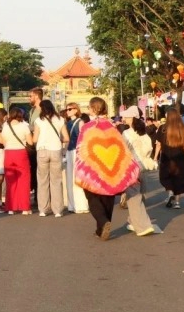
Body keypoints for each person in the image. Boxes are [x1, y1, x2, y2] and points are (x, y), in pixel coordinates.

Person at [77, 97, 123, 240]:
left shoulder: (87, 127)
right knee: (108, 195)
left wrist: (80, 167)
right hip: (110, 165)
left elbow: (81, 147)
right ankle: (101, 228)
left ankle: (103, 222)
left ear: (93, 108)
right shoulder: (112, 126)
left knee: (92, 196)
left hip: (93, 166)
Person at [31, 101, 66, 217]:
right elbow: (66, 138)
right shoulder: (60, 119)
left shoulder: (38, 120)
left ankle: (43, 209)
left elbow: (35, 139)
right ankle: (58, 210)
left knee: (42, 181)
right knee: (56, 181)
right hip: (56, 150)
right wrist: (58, 139)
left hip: (42, 150)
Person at [0, 107, 33, 215]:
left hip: (9, 153)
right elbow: (30, 142)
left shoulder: (5, 126)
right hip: (21, 153)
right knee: (24, 181)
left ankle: (10, 207)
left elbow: (3, 141)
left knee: (10, 182)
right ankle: (24, 208)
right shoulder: (24, 126)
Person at [159, 110, 184, 208]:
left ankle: (170, 192)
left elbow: (159, 144)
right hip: (179, 156)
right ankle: (177, 203)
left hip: (166, 155)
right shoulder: (182, 127)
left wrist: (156, 156)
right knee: (179, 179)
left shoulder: (163, 128)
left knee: (165, 177)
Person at [64, 102, 89, 215]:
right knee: (70, 178)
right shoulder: (67, 123)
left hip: (76, 151)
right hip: (69, 151)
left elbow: (84, 138)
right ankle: (72, 205)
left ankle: (81, 205)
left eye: (70, 109)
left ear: (76, 110)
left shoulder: (80, 122)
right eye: (67, 109)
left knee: (77, 178)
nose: (67, 111)